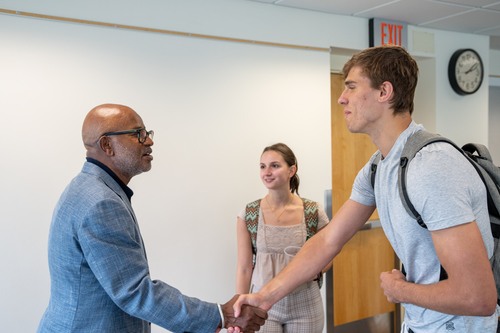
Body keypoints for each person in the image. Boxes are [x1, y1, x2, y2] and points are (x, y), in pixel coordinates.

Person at [232, 45, 499, 333]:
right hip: (422, 323)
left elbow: (477, 296)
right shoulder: (378, 168)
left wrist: (401, 291)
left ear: (384, 92)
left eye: (351, 87)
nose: (341, 98)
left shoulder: (431, 167)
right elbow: (327, 242)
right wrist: (263, 298)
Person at [37, 103, 267, 333]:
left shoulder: (89, 188)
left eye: (147, 133)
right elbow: (135, 292)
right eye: (138, 134)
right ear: (107, 145)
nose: (149, 141)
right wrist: (220, 315)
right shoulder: (101, 203)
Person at [235, 143, 330, 332]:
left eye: (275, 166)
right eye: (262, 166)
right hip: (262, 303)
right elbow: (245, 268)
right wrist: (239, 310)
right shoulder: (249, 213)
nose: (267, 172)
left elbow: (328, 256)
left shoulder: (313, 211)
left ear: (292, 170)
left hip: (305, 303)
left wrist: (315, 270)